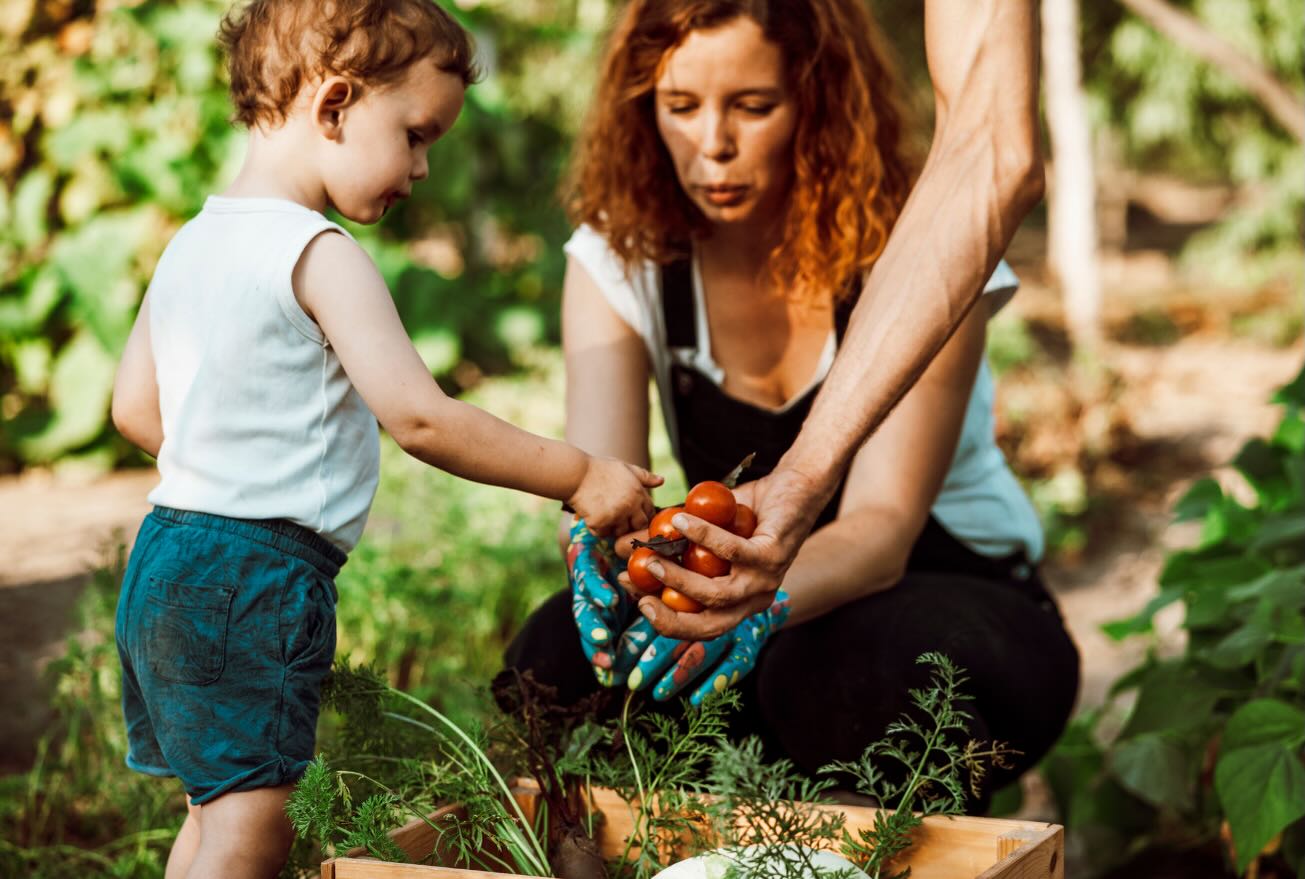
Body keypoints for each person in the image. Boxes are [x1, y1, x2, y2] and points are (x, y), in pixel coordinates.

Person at [109, 2, 660, 876]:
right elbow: (422, 418)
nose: (423, 167)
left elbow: (135, 411)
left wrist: (227, 462)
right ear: (332, 106)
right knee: (257, 825)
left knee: (218, 807)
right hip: (252, 577)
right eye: (413, 134)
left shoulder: (190, 243)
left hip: (164, 562)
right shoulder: (319, 251)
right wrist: (580, 471)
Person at [503, 0, 1079, 809]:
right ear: (642, 110)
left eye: (752, 106)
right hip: (745, 591)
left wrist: (746, 608)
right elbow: (607, 489)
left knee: (862, 669)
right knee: (554, 658)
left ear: (818, 99)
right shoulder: (619, 255)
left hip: (937, 588)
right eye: (679, 107)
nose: (714, 145)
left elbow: (880, 532)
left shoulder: (928, 249)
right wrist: (602, 550)